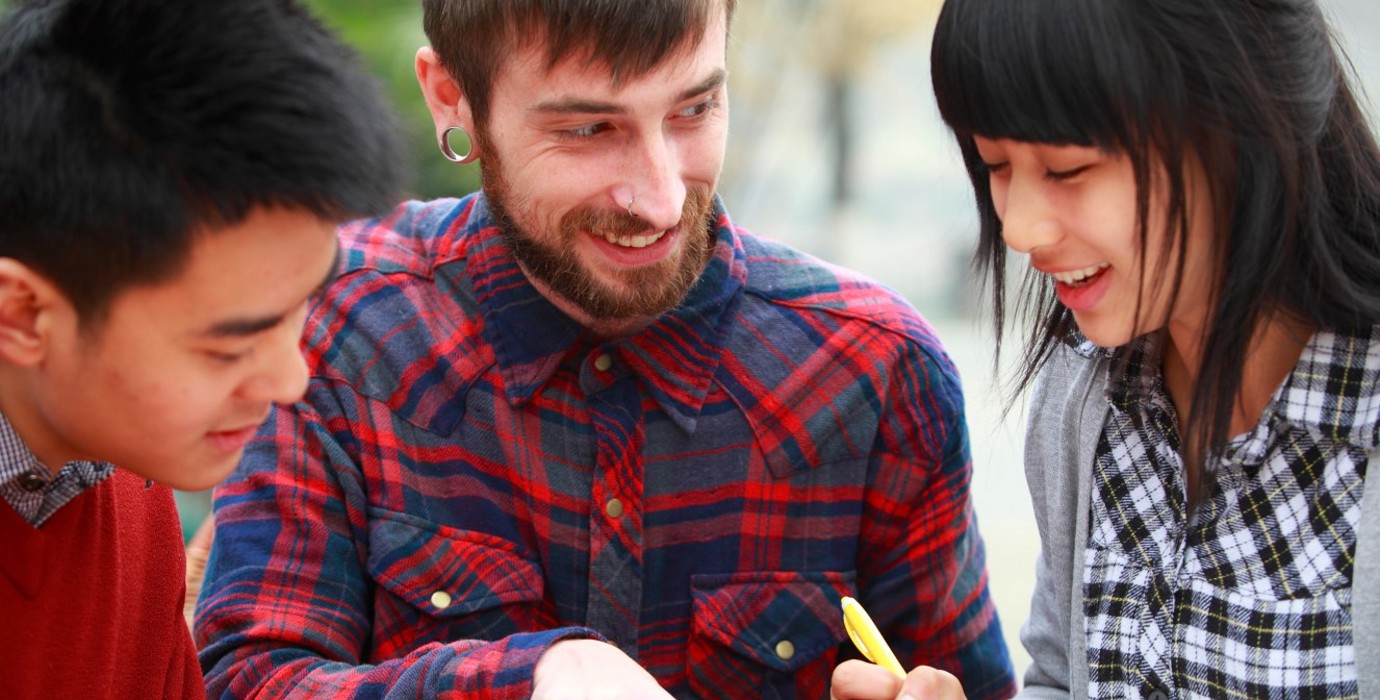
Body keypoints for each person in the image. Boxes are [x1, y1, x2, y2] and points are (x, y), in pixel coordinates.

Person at [192, 0, 1017, 697]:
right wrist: (534, 680)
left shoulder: (875, 372)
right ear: (453, 98)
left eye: (693, 110)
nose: (659, 198)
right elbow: (248, 678)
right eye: (590, 128)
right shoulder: (334, 327)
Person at [833, 0, 1380, 698]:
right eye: (996, 165)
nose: (1021, 230)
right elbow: (1061, 678)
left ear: (1239, 127)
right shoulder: (1083, 397)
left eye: (1067, 171)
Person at [0, 0, 405, 697]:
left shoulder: (123, 474)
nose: (291, 379)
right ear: (24, 314)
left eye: (301, 307)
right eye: (228, 347)